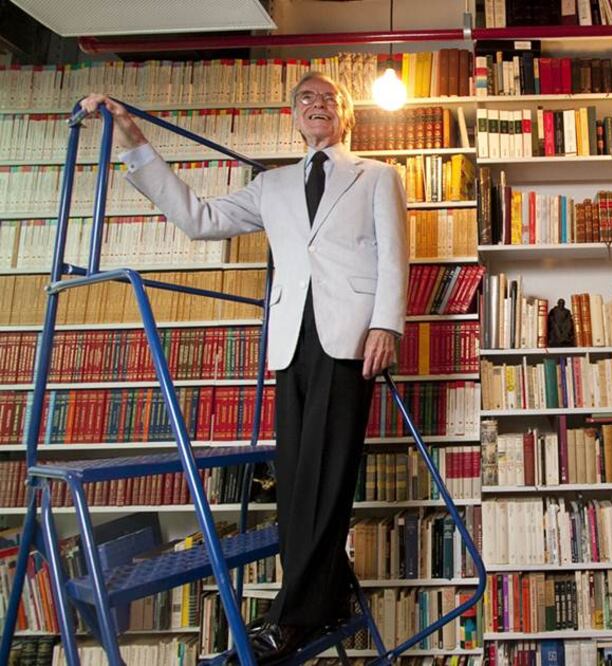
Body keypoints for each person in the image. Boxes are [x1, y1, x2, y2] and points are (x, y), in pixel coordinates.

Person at [80, 72, 408, 664]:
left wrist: (387, 324)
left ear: (347, 116)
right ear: (294, 116)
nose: (317, 104)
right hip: (288, 340)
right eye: (306, 98)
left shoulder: (377, 176)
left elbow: (393, 256)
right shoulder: (271, 185)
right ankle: (328, 594)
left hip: (351, 338)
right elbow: (199, 218)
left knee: (327, 477)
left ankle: (293, 617)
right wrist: (134, 142)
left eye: (329, 98)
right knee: (296, 481)